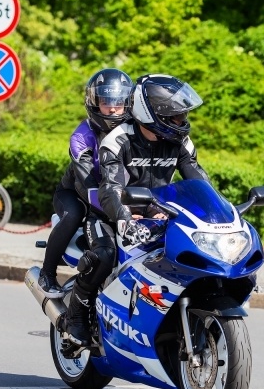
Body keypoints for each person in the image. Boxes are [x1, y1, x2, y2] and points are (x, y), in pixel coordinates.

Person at [62, 73, 209, 346]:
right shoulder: (118, 140)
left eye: (182, 115)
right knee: (104, 255)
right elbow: (110, 189)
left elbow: (200, 182)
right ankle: (77, 317)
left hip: (156, 213)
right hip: (109, 214)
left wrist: (217, 215)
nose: (182, 121)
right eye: (175, 116)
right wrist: (124, 217)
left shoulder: (180, 143)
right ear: (154, 114)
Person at [37, 68, 134, 300]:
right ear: (94, 102)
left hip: (116, 196)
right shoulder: (82, 137)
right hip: (78, 194)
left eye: (118, 102)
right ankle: (47, 273)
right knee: (73, 213)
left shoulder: (135, 130)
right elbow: (90, 184)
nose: (112, 108)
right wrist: (123, 213)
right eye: (106, 101)